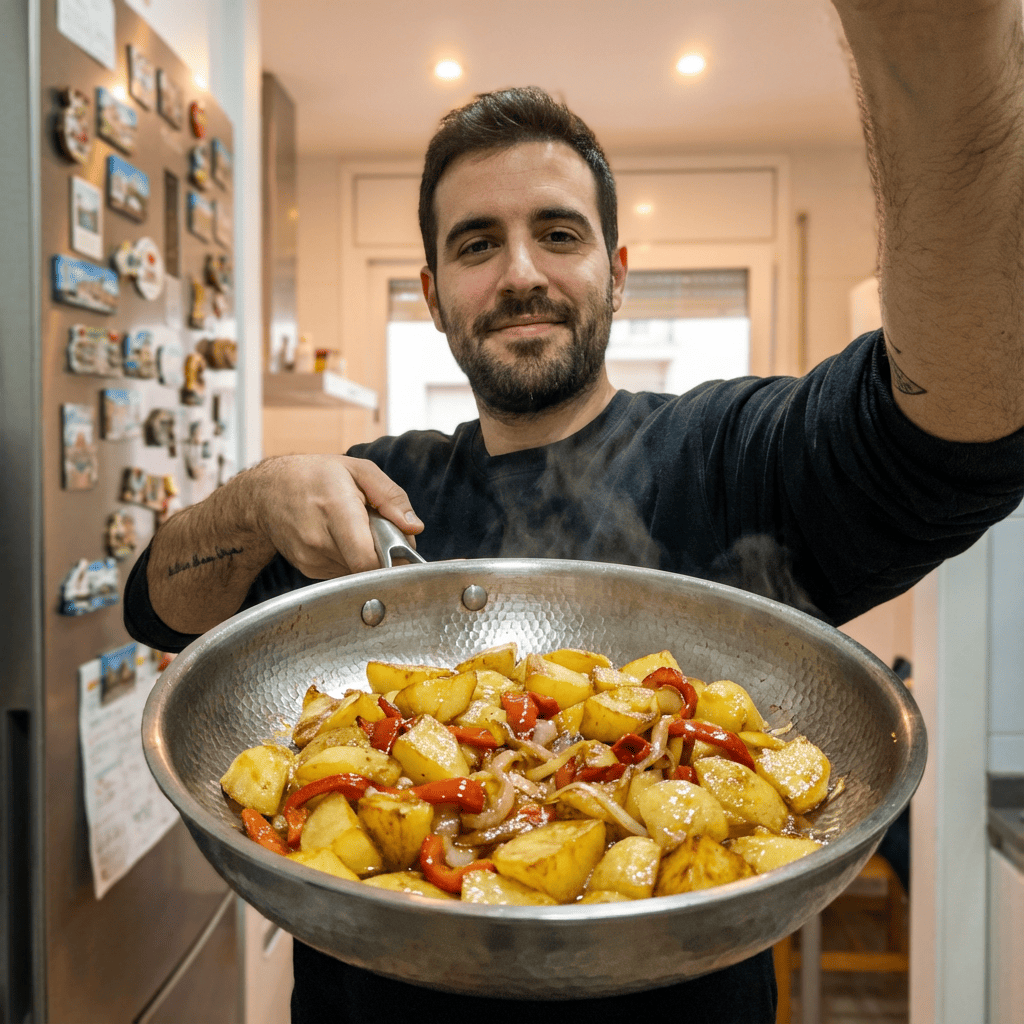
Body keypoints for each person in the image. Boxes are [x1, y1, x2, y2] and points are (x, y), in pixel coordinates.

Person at [125, 2, 1023, 1020]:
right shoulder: (373, 490)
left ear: (616, 273)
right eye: (477, 244)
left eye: (558, 234)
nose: (520, 274)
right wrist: (253, 503)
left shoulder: (726, 455)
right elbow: (155, 606)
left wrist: (940, 50)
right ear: (432, 295)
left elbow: (958, 433)